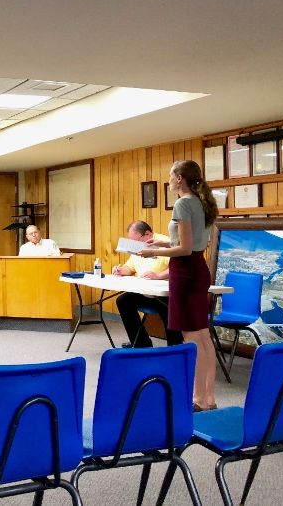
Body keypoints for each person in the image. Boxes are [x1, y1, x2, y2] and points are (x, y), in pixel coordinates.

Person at [139, 160, 219, 412]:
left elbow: (184, 249)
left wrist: (151, 255)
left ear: (180, 178)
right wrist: (160, 245)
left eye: (171, 176)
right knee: (203, 336)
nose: (169, 180)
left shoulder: (183, 203)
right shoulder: (200, 201)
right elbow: (191, 244)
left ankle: (197, 399)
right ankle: (208, 399)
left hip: (185, 272)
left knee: (192, 338)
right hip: (198, 268)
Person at [113, 220, 182, 348]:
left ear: (148, 234)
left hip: (166, 294)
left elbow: (177, 267)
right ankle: (140, 343)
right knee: (123, 300)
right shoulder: (138, 246)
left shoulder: (165, 243)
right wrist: (120, 270)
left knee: (167, 307)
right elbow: (130, 268)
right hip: (145, 292)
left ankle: (174, 347)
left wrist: (158, 276)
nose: (134, 244)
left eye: (136, 240)